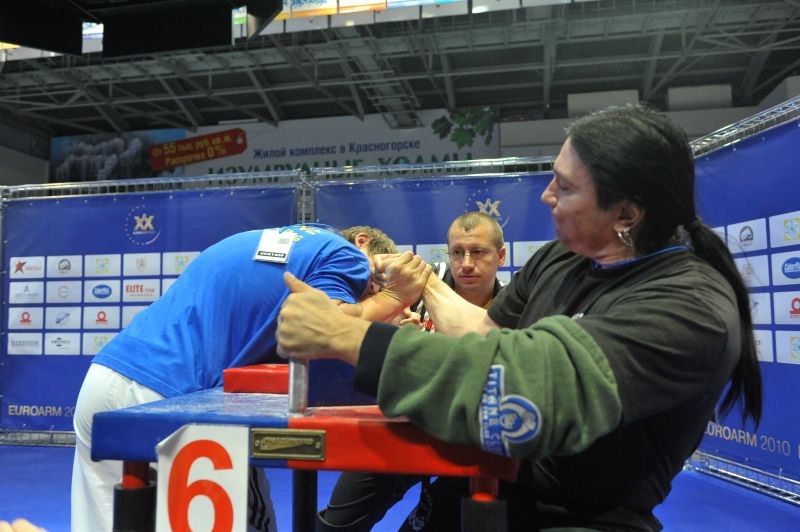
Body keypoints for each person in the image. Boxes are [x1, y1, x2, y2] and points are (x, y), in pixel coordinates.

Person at [275, 104, 763, 531]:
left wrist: (347, 335)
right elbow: (485, 332)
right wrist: (421, 282)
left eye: (565, 187)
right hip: (479, 486)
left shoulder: (689, 307)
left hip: (570, 517)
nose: (547, 195)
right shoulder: (564, 258)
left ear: (626, 214)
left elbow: (523, 388)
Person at [71, 224, 427, 532]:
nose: (366, 291)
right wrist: (394, 297)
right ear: (362, 242)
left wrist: (379, 314)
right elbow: (326, 325)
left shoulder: (276, 241)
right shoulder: (345, 254)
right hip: (173, 401)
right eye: (369, 287)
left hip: (105, 381)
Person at [318, 211, 507, 530]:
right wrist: (387, 327)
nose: (467, 263)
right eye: (458, 252)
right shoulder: (414, 282)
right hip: (398, 425)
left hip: (466, 439)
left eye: (479, 252)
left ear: (501, 256)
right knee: (335, 525)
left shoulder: (514, 306)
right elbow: (345, 325)